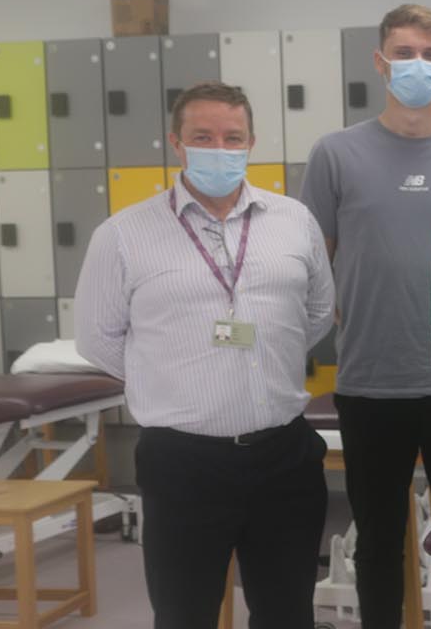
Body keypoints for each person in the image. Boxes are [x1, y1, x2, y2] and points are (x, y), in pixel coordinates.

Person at [75, 81, 335, 629]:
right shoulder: (124, 235)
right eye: (203, 136)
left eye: (232, 137)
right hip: (182, 464)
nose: (220, 148)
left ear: (252, 142)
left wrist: (257, 359)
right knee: (184, 614)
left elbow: (315, 315)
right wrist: (170, 374)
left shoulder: (295, 222)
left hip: (284, 457)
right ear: (176, 142)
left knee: (288, 612)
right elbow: (97, 339)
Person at [298, 4, 431, 629]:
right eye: (404, 52)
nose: (418, 64)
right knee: (379, 544)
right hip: (370, 381)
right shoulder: (335, 154)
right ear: (381, 62)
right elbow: (313, 263)